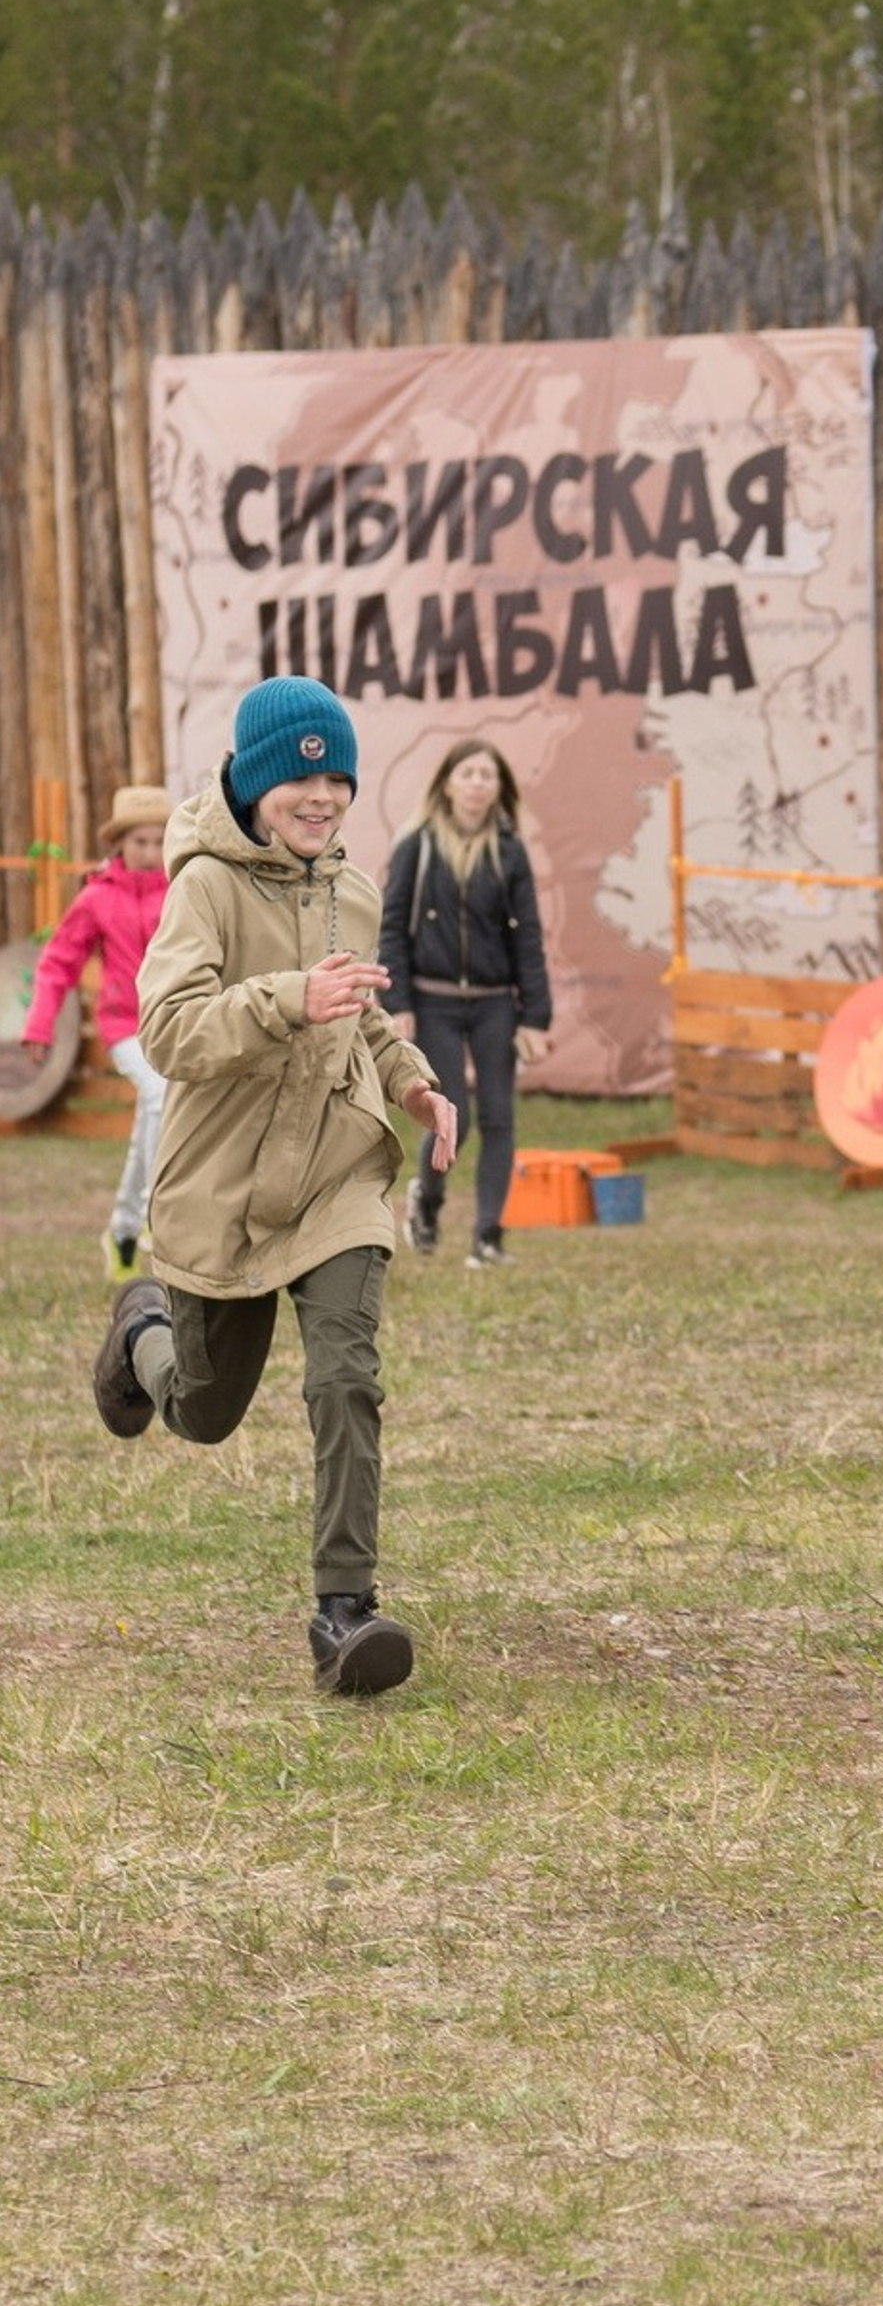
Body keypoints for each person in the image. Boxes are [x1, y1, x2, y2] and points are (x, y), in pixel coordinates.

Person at [90, 676, 459, 1697]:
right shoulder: (204, 888)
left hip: (337, 1169)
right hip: (226, 1182)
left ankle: (345, 1613)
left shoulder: (352, 890)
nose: (323, 798)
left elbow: (361, 1013)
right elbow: (169, 1032)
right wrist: (291, 997)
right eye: (303, 780)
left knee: (346, 1377)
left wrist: (411, 1082)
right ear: (257, 784)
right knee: (204, 1411)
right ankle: (142, 1330)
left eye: (339, 780)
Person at [378, 738, 552, 1269]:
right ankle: (427, 1202)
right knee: (455, 1115)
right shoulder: (417, 846)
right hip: (433, 1001)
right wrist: (398, 1001)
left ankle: (488, 1237)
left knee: (500, 1117)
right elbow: (392, 928)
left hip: (495, 1001)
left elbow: (528, 937)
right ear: (448, 784)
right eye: (467, 773)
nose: (477, 783)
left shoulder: (509, 851)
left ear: (499, 788)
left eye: (487, 775)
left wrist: (535, 1017)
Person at [19, 785, 173, 1279]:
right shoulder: (97, 898)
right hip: (124, 1025)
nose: (150, 851)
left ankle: (123, 1230)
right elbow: (59, 962)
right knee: (159, 1095)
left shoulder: (183, 890)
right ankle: (156, 1215)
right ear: (119, 843)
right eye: (140, 841)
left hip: (174, 1024)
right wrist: (40, 1025)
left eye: (159, 841)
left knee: (152, 1116)